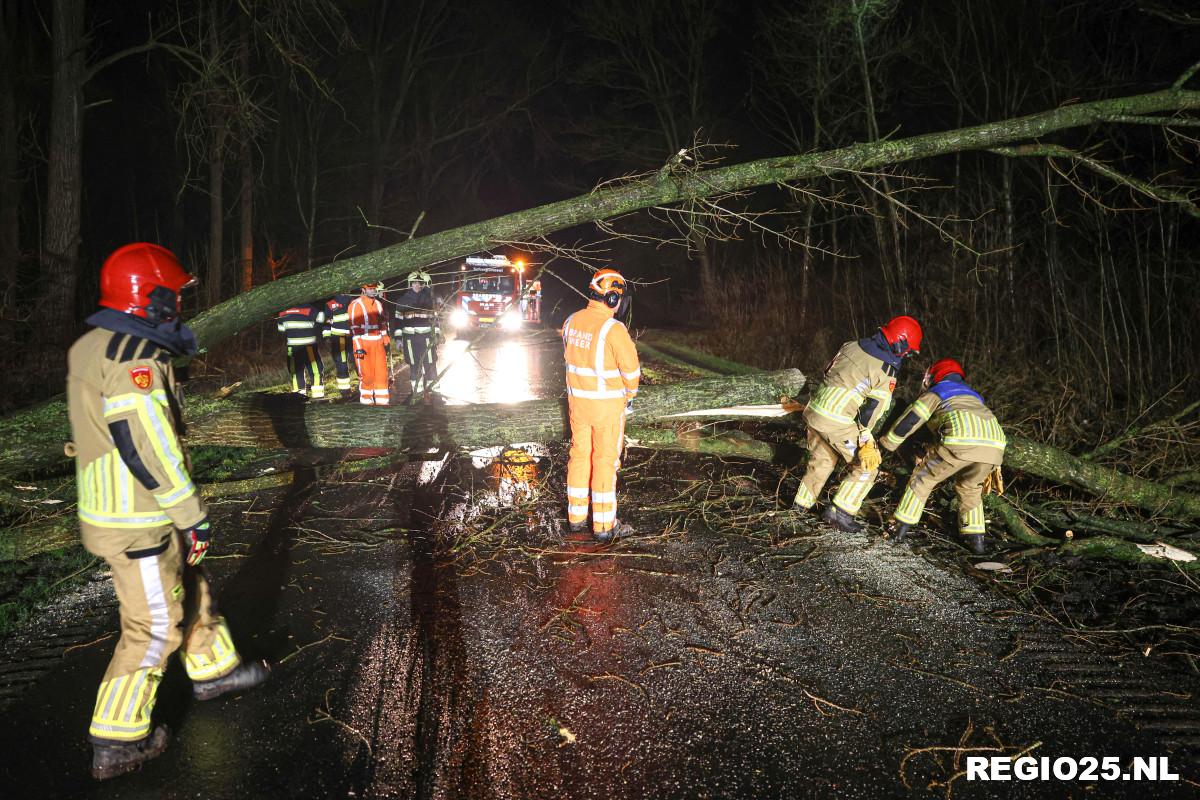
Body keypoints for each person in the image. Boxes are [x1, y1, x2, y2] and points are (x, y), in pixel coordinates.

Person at [66, 243, 269, 781]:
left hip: (127, 509)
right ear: (149, 298)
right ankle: (116, 740)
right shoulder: (134, 358)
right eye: (173, 294)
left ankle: (214, 671)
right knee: (154, 626)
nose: (179, 303)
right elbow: (148, 448)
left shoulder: (95, 344)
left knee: (192, 583)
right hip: (138, 517)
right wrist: (190, 513)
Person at [792, 315, 922, 532]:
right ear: (900, 342)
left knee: (822, 460)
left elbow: (828, 371)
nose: (907, 355)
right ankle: (840, 512)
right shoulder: (885, 369)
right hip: (836, 420)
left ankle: (800, 506)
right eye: (908, 350)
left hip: (813, 411)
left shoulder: (851, 345)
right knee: (867, 466)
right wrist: (865, 436)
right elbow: (873, 408)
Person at [880, 358, 1007, 554]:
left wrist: (888, 443)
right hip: (996, 447)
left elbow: (911, 419)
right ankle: (976, 541)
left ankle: (899, 528)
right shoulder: (975, 397)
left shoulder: (938, 392)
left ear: (934, 376)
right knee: (970, 488)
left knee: (923, 478)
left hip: (961, 441)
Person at [562, 268, 640, 542]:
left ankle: (576, 518)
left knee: (580, 456)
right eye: (619, 298)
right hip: (607, 408)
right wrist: (630, 394)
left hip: (578, 406)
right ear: (611, 298)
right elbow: (631, 371)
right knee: (604, 461)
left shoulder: (571, 322)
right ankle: (604, 525)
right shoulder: (613, 329)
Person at [393, 270, 440, 403]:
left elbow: (435, 320)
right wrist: (398, 339)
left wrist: (436, 335)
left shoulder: (429, 300)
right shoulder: (402, 301)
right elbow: (398, 322)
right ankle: (417, 393)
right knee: (414, 366)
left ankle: (435, 393)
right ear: (410, 284)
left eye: (419, 283)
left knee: (430, 365)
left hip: (427, 338)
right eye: (414, 283)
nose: (417, 285)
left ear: (423, 284)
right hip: (410, 340)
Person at [348, 282, 391, 406]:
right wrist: (358, 347)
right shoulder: (355, 305)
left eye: (374, 289)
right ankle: (367, 405)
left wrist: (384, 335)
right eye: (370, 289)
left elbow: (382, 322)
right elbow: (353, 328)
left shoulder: (378, 304)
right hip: (363, 343)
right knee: (367, 376)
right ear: (363, 289)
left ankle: (383, 403)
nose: (373, 291)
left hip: (378, 343)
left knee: (381, 375)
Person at [275, 302, 327, 399]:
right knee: (315, 370)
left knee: (296, 373)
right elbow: (321, 318)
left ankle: (299, 398)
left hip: (292, 347)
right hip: (309, 346)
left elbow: (281, 330)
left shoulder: (282, 312)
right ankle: (318, 397)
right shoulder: (308, 308)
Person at [323, 293, 357, 398]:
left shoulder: (353, 301)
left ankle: (363, 386)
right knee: (342, 364)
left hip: (352, 337)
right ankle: (344, 390)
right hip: (339, 338)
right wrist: (327, 337)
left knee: (357, 361)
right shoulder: (330, 304)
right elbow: (327, 321)